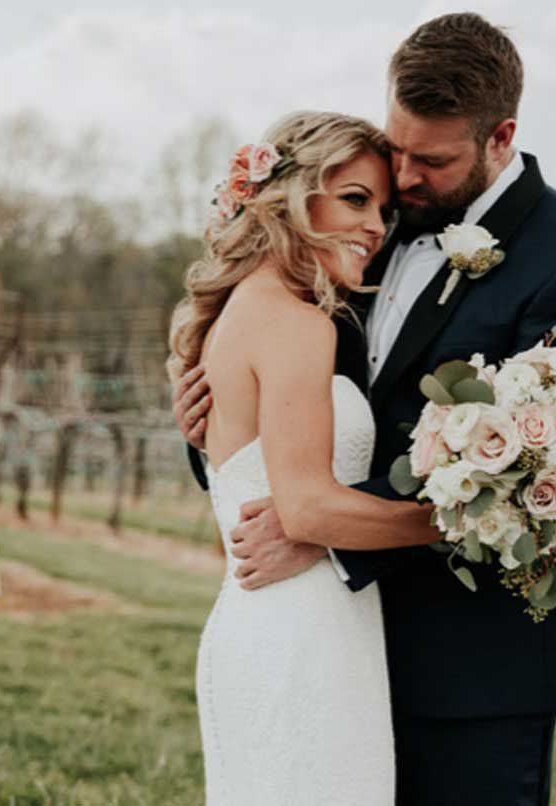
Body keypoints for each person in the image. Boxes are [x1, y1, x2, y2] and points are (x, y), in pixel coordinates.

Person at [174, 13, 556, 805]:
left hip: (475, 665)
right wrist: (217, 432)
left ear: (500, 137)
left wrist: (324, 532)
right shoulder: (361, 223)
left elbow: (536, 475)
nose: (406, 179)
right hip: (330, 641)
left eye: (433, 159)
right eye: (398, 149)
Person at [166, 110, 438, 805]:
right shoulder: (296, 322)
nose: (376, 226)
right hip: (300, 636)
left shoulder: (243, 310)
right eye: (354, 199)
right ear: (290, 197)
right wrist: (450, 521)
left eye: (381, 209)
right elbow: (307, 507)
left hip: (277, 623)